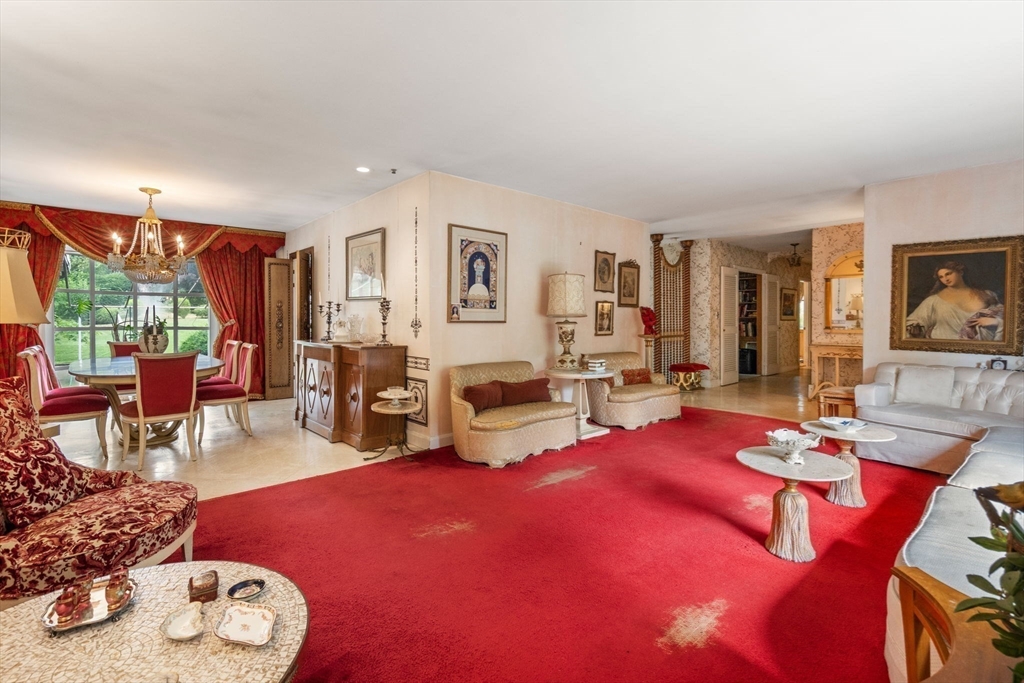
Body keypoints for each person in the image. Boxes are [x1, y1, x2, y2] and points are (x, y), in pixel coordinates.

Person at [905, 261, 1003, 341]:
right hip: (944, 347)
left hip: (978, 348)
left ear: (960, 272)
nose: (945, 279)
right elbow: (914, 322)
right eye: (941, 277)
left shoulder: (986, 295)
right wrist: (914, 328)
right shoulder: (933, 301)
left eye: (948, 274)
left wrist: (995, 322)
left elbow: (1005, 318)